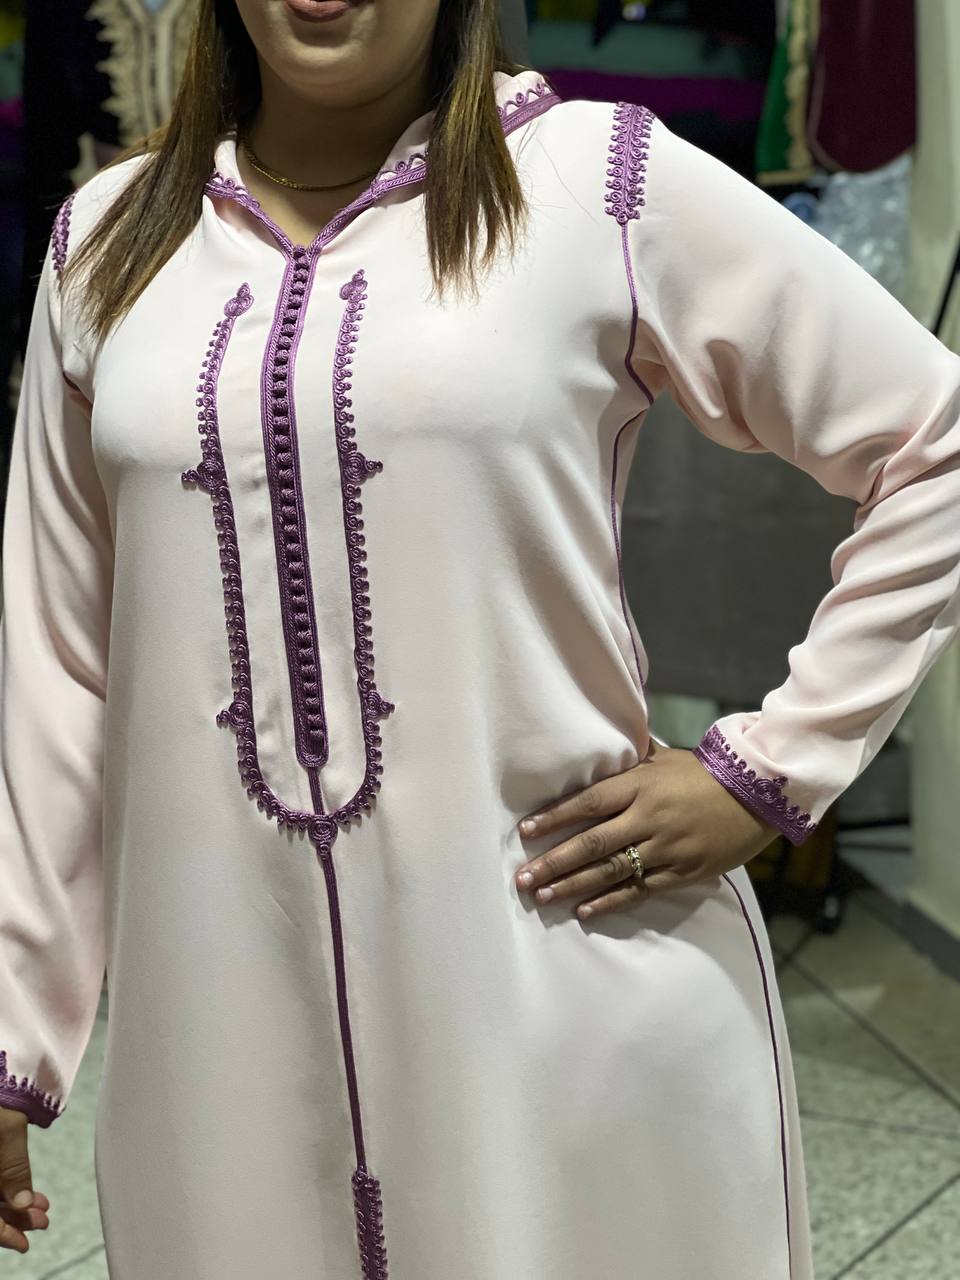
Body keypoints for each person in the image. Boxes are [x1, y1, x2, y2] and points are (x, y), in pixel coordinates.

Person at [1, 0, 958, 1275]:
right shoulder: (110, 239)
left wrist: (771, 770)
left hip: (562, 990)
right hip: (221, 1028)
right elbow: (58, 664)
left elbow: (933, 441)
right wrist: (15, 1036)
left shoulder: (594, 183)